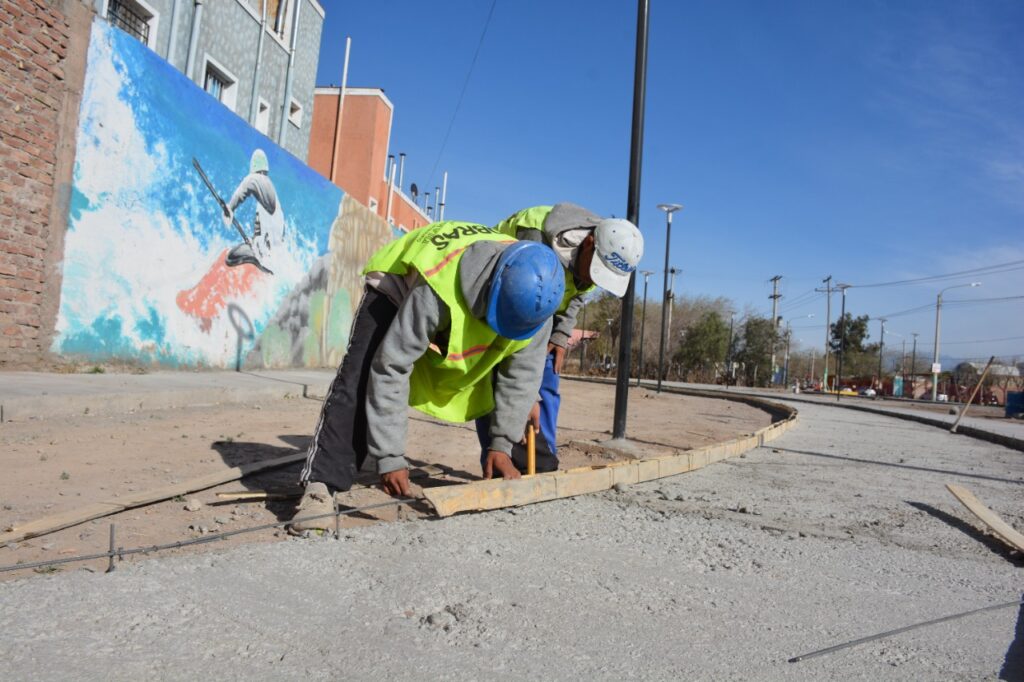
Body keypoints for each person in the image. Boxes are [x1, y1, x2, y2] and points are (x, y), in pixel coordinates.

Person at [290, 221, 565, 533]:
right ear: (491, 291)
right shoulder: (438, 288)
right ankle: (321, 486)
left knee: (498, 370)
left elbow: (521, 375)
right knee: (360, 374)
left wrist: (501, 445)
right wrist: (391, 458)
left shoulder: (539, 307)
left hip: (478, 290)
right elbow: (391, 366)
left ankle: (503, 460)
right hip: (398, 283)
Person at [481, 203, 643, 472]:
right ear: (588, 243)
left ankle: (543, 461)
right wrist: (526, 393)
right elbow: (519, 318)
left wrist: (560, 333)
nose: (593, 278)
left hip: (546, 305)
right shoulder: (536, 238)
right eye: (595, 269)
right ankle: (501, 459)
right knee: (503, 382)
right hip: (508, 302)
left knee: (548, 378)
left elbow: (580, 291)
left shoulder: (601, 252)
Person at [222, 149, 285, 270]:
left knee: (231, 256)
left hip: (266, 255)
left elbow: (251, 181)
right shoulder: (269, 202)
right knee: (232, 255)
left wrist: (230, 208)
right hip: (266, 253)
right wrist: (253, 242)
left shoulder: (262, 181)